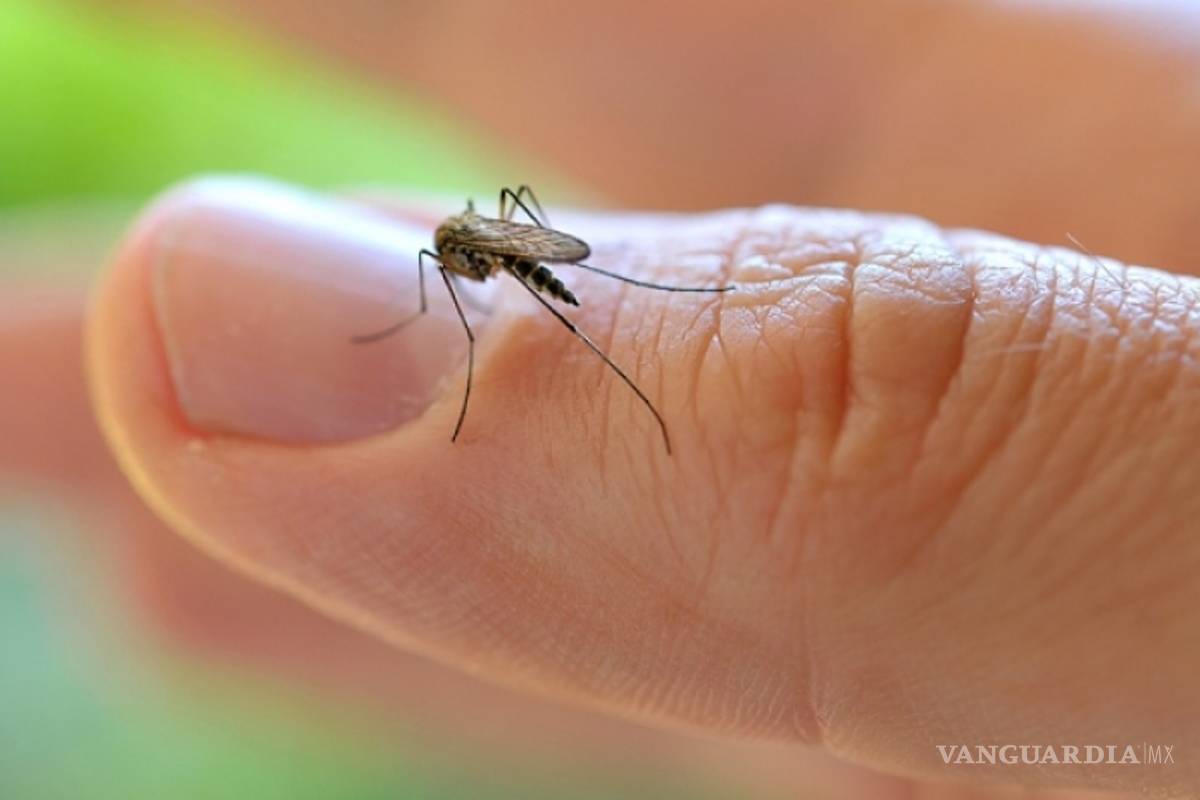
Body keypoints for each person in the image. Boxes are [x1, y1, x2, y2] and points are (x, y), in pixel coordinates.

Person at [7, 1, 1200, 796]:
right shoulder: (461, 246)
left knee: (551, 299)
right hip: (530, 249)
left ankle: (608, 321)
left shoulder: (481, 245)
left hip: (559, 253)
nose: (455, 264)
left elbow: (488, 252)